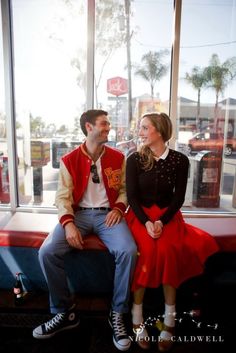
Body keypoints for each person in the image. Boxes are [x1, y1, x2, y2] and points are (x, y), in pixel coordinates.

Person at [33, 109, 137, 352]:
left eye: (108, 124)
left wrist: (120, 208)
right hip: (78, 215)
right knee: (46, 252)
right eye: (103, 124)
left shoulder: (117, 157)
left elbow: (124, 190)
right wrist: (68, 224)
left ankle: (118, 312)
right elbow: (62, 198)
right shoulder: (69, 160)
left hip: (107, 215)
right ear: (89, 127)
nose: (108, 128)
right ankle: (64, 312)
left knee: (128, 251)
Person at [125, 112, 219, 352]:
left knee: (168, 250)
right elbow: (133, 197)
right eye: (140, 128)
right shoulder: (134, 159)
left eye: (145, 128)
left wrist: (162, 222)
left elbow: (178, 198)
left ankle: (170, 317)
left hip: (168, 217)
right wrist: (147, 222)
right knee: (144, 252)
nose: (141, 132)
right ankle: (137, 316)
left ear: (159, 130)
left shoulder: (180, 160)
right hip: (140, 216)